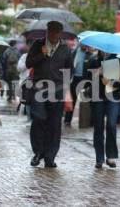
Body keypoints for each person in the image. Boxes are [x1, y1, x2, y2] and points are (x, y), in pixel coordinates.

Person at [26, 21, 72, 168]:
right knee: (38, 119)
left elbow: (68, 70)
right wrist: (41, 54)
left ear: (60, 33)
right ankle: (38, 152)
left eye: (56, 32)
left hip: (57, 90)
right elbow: (28, 63)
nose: (52, 34)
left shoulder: (65, 49)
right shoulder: (38, 45)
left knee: (54, 124)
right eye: (50, 31)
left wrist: (65, 90)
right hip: (39, 88)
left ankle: (50, 157)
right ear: (47, 31)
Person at [87, 51, 120, 169]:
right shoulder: (94, 61)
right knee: (98, 127)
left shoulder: (118, 62)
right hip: (98, 97)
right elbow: (85, 80)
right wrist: (96, 73)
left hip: (112, 98)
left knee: (111, 124)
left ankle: (110, 156)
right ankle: (99, 158)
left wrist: (110, 83)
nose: (105, 51)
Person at [64, 44, 91, 126]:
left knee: (87, 100)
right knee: (72, 99)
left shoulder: (89, 55)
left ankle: (87, 121)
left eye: (86, 44)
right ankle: (67, 120)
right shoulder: (74, 53)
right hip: (75, 79)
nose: (85, 45)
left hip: (85, 79)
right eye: (83, 43)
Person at [17, 43, 32, 122]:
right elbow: (19, 68)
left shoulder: (41, 56)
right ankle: (29, 120)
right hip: (25, 82)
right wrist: (28, 63)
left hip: (38, 82)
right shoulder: (24, 57)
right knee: (28, 101)